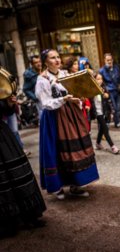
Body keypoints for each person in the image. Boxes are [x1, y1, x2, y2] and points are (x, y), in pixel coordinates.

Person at [35, 49, 99, 200]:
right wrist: (64, 100)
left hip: (71, 114)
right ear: (45, 61)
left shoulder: (64, 74)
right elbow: (45, 103)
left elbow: (74, 91)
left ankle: (76, 184)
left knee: (76, 148)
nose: (57, 60)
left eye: (58, 57)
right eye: (52, 58)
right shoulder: (42, 79)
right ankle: (57, 187)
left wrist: (78, 98)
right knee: (57, 149)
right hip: (53, 117)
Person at [0, 96, 46, 238]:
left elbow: (6, 112)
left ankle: (28, 215)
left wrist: (9, 103)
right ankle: (7, 222)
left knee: (17, 174)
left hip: (3, 136)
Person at [90, 73, 120, 154]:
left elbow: (107, 96)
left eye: (101, 79)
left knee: (102, 129)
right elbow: (90, 101)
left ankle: (97, 144)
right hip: (98, 113)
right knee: (105, 129)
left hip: (105, 111)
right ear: (94, 80)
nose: (100, 80)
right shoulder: (91, 89)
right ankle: (113, 146)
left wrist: (105, 94)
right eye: (98, 79)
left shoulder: (103, 88)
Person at [62, 56, 91, 131]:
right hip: (71, 105)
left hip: (81, 103)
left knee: (84, 124)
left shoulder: (79, 75)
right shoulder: (65, 76)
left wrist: (87, 103)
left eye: (77, 64)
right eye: (74, 64)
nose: (77, 66)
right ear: (69, 65)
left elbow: (84, 91)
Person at [99, 53, 120, 128]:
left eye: (111, 60)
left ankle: (117, 122)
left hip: (117, 90)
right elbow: (101, 82)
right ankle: (114, 122)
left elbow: (119, 79)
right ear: (105, 60)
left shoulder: (116, 68)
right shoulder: (102, 70)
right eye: (107, 60)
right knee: (114, 108)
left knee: (118, 108)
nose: (109, 61)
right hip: (110, 91)